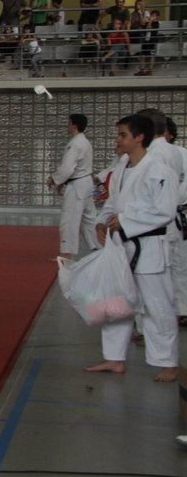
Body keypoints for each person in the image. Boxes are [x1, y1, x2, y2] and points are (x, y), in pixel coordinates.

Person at [86, 114, 179, 383]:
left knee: (156, 306)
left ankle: (168, 363)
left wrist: (125, 221)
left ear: (140, 137)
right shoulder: (123, 169)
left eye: (123, 134)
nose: (118, 139)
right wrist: (102, 222)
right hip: (120, 247)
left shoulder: (158, 170)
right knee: (115, 304)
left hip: (148, 248)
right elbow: (113, 205)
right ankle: (114, 358)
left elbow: (164, 211)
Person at [47, 114, 99, 258]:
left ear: (74, 125)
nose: (67, 126)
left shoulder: (75, 144)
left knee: (69, 220)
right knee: (89, 219)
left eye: (68, 123)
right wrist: (61, 182)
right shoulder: (85, 142)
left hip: (77, 186)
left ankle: (66, 254)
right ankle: (99, 249)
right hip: (86, 183)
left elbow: (67, 168)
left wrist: (54, 178)